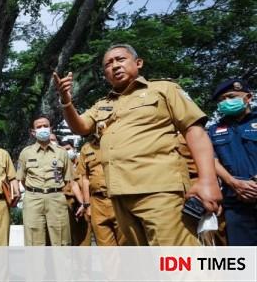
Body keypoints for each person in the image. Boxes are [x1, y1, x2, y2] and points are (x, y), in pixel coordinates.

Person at [53, 43, 222, 246]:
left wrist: (208, 181)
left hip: (159, 191)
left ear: (138, 63)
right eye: (108, 64)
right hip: (118, 197)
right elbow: (80, 127)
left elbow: (195, 132)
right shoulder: (102, 105)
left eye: (120, 59)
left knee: (177, 266)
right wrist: (66, 101)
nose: (114, 66)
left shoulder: (163, 90)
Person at [17, 115, 84, 246]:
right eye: (39, 127)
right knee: (34, 241)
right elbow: (23, 179)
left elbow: (70, 180)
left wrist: (82, 202)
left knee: (61, 240)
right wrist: (36, 190)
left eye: (45, 126)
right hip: (33, 199)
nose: (43, 129)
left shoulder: (61, 153)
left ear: (51, 129)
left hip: (56, 198)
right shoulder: (26, 153)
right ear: (33, 132)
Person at [208, 79, 257, 245]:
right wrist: (234, 183)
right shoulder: (213, 130)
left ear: (248, 97)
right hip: (236, 203)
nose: (225, 102)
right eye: (221, 100)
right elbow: (212, 161)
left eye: (231, 96)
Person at [77, 135, 125, 246]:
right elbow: (85, 178)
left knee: (126, 244)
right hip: (97, 202)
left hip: (118, 200)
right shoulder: (86, 148)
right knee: (105, 247)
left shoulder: (121, 141)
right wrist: (87, 205)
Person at [59, 139, 92, 246]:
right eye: (63, 151)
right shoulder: (61, 166)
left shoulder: (82, 162)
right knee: (69, 238)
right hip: (68, 203)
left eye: (68, 149)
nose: (67, 152)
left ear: (74, 148)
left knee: (85, 239)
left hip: (87, 202)